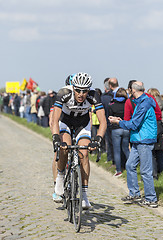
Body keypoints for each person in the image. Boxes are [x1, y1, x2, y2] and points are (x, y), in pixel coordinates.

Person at [51, 72, 107, 209]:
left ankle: (84, 194)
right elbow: (55, 119)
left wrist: (98, 139)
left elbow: (103, 121)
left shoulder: (94, 96)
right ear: (73, 87)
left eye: (85, 91)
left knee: (84, 153)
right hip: (65, 122)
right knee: (65, 147)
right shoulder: (64, 93)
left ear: (89, 90)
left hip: (83, 124)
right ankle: (60, 177)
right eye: (78, 90)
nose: (81, 94)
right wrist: (56, 137)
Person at [109, 81, 158, 208]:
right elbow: (133, 122)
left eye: (129, 90)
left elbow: (134, 124)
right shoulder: (141, 102)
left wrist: (117, 123)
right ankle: (135, 193)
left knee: (145, 171)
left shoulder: (144, 104)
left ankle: (151, 199)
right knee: (130, 165)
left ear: (133, 90)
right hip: (138, 139)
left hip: (144, 140)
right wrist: (121, 121)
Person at [108, 87, 130, 177]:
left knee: (117, 151)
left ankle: (118, 170)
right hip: (126, 128)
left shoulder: (112, 105)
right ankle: (131, 168)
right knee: (126, 149)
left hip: (116, 129)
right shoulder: (128, 104)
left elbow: (109, 117)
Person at [101, 78, 114, 162]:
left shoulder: (103, 98)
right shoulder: (114, 96)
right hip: (116, 122)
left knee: (109, 142)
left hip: (106, 121)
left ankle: (109, 158)